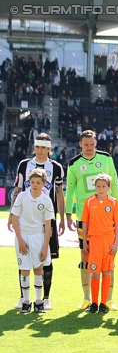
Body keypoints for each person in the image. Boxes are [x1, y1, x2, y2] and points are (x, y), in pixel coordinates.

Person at [65, 130, 118, 310]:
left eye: (92, 144)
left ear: (96, 143)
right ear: (80, 144)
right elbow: (70, 189)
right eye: (85, 144)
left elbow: (116, 184)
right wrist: (68, 214)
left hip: (106, 218)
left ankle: (108, 299)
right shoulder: (73, 163)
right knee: (85, 255)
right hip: (85, 219)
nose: (89, 148)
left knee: (109, 257)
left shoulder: (106, 158)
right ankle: (87, 298)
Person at [8, 133, 64, 310]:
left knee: (46, 258)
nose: (40, 151)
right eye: (37, 147)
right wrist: (11, 214)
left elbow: (59, 193)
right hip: (26, 220)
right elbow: (18, 189)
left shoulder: (56, 167)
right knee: (23, 257)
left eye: (43, 147)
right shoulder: (24, 164)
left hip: (46, 220)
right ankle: (23, 297)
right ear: (34, 148)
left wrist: (62, 218)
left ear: (49, 149)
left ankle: (45, 298)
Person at [11, 168, 54, 314]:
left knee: (38, 270)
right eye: (32, 182)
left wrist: (45, 247)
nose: (34, 185)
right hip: (23, 237)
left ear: (44, 184)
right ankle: (26, 303)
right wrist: (20, 239)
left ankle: (38, 302)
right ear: (29, 182)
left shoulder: (46, 200)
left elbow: (48, 226)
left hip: (39, 237)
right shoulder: (22, 196)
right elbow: (14, 218)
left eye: (38, 182)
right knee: (24, 271)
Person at [81, 174, 118, 313]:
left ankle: (103, 304)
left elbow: (117, 224)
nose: (101, 189)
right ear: (95, 187)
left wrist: (116, 243)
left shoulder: (114, 203)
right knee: (94, 272)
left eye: (104, 186)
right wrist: (85, 241)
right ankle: (94, 303)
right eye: (98, 186)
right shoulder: (89, 202)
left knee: (106, 272)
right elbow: (85, 222)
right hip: (94, 240)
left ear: (109, 187)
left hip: (109, 241)